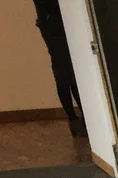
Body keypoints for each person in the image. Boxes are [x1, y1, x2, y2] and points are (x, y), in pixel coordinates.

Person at [32, 0, 85, 138]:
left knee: (67, 72)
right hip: (55, 23)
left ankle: (76, 119)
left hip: (53, 22)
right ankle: (78, 119)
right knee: (68, 72)